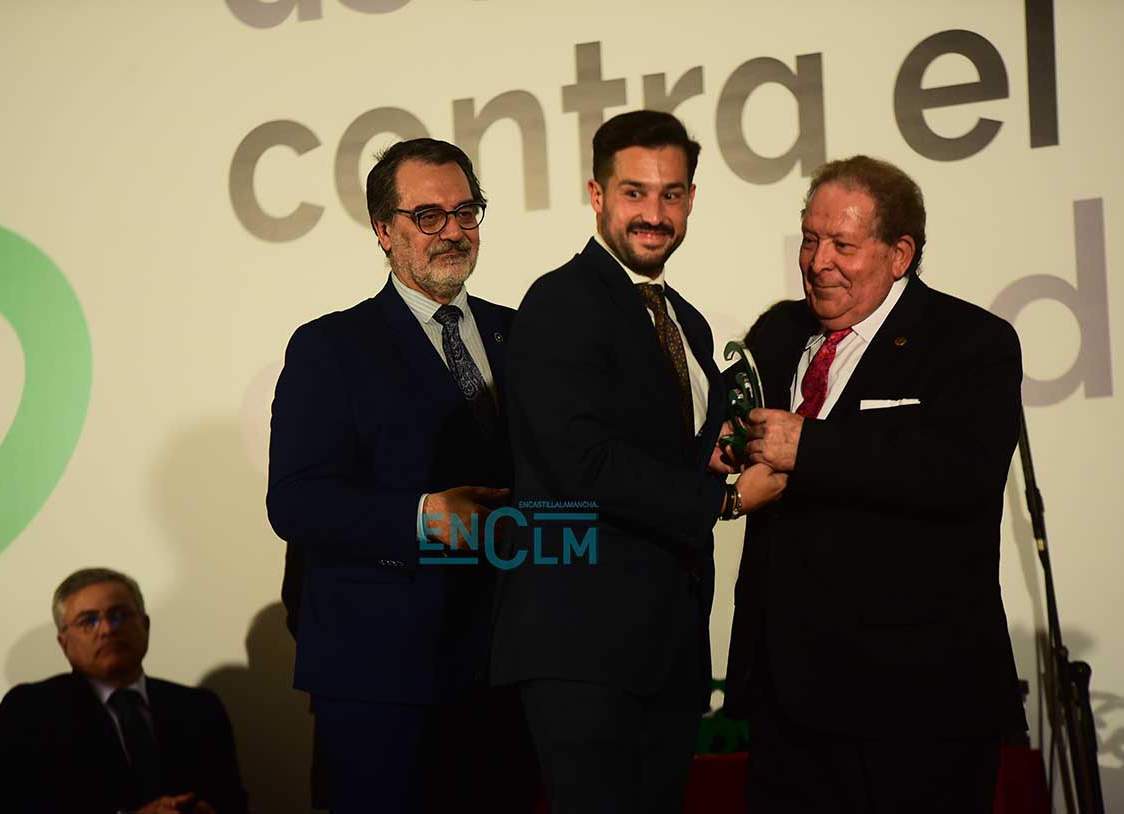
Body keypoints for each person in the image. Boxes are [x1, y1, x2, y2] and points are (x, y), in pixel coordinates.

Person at [491, 110, 786, 814]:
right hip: (580, 646)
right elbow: (580, 464)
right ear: (596, 195)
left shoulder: (687, 319)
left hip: (667, 647)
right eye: (635, 192)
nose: (654, 214)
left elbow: (660, 448)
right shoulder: (559, 302)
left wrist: (718, 450)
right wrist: (726, 500)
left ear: (690, 198)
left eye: (671, 193)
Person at [724, 155, 1027, 813]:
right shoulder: (778, 333)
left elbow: (962, 473)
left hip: (914, 706)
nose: (818, 262)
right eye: (810, 239)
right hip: (787, 705)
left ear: (899, 254)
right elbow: (729, 435)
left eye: (842, 245)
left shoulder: (970, 342)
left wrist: (810, 446)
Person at [267, 138, 534, 813]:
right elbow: (296, 502)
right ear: (384, 230)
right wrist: (424, 516)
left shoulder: (525, 335)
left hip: (509, 672)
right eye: (428, 216)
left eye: (466, 211)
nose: (453, 231)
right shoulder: (330, 347)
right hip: (383, 684)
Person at [0, 568, 247, 814]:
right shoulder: (30, 712)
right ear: (64, 643)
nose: (108, 629)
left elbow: (233, 801)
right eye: (88, 621)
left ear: (145, 625)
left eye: (120, 615)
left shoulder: (198, 708)